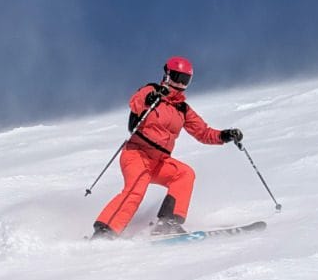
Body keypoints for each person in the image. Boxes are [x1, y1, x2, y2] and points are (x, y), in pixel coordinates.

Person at [91, 56, 243, 239]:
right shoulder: (152, 90)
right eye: (178, 77)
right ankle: (105, 231)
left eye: (186, 80)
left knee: (184, 174)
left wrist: (225, 135)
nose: (181, 84)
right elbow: (136, 103)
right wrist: (151, 98)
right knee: (137, 188)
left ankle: (168, 223)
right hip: (137, 154)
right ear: (168, 74)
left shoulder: (182, 109)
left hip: (159, 161)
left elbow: (203, 133)